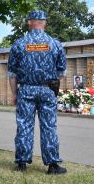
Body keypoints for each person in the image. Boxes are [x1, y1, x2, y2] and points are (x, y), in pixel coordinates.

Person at [8, 10, 67, 175]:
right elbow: (62, 72)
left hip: (26, 89)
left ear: (29, 22)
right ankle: (53, 165)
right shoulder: (55, 44)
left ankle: (21, 163)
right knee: (49, 126)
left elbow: (12, 74)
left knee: (24, 126)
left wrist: (14, 94)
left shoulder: (19, 44)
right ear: (45, 23)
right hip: (48, 89)